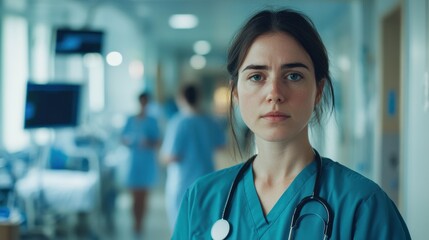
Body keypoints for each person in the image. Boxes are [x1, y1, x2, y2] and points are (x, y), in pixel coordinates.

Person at [172, 9, 411, 239]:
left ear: (318, 90)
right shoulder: (201, 200)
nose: (274, 93)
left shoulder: (363, 206)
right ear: (235, 93)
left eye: (293, 76)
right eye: (257, 77)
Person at [160, 84, 226, 231]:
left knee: (181, 228)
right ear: (199, 97)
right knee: (203, 227)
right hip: (207, 180)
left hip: (182, 183)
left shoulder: (178, 122)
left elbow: (171, 156)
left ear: (181, 98)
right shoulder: (210, 121)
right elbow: (221, 145)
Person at [121, 92, 160, 234]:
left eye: (146, 102)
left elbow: (158, 142)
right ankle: (135, 222)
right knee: (134, 196)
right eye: (142, 102)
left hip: (147, 162)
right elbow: (122, 138)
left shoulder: (152, 121)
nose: (143, 105)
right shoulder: (130, 120)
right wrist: (128, 140)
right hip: (133, 161)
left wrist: (148, 143)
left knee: (143, 196)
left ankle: (140, 223)